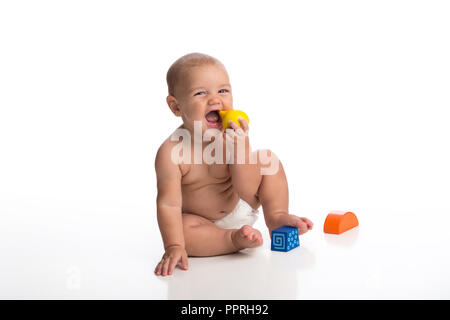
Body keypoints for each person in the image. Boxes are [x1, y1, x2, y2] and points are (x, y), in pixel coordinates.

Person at [154, 53, 313, 276]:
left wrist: (240, 151)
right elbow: (168, 205)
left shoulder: (231, 135)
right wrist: (173, 246)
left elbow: (247, 189)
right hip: (202, 221)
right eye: (200, 93)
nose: (215, 100)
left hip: (240, 201)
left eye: (223, 91)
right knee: (181, 232)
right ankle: (232, 239)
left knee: (267, 160)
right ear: (176, 107)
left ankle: (276, 215)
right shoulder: (171, 152)